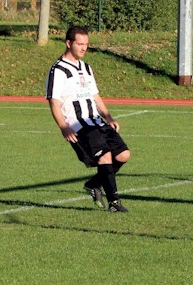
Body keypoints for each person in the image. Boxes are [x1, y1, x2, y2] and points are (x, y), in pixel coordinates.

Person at [45, 26, 131, 213]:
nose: (84, 48)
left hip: (96, 121)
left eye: (86, 44)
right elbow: (53, 101)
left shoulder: (86, 67)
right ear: (69, 43)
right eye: (80, 44)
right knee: (105, 156)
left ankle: (94, 184)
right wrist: (63, 126)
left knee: (123, 155)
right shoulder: (58, 70)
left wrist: (108, 116)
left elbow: (95, 95)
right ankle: (114, 203)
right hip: (79, 125)